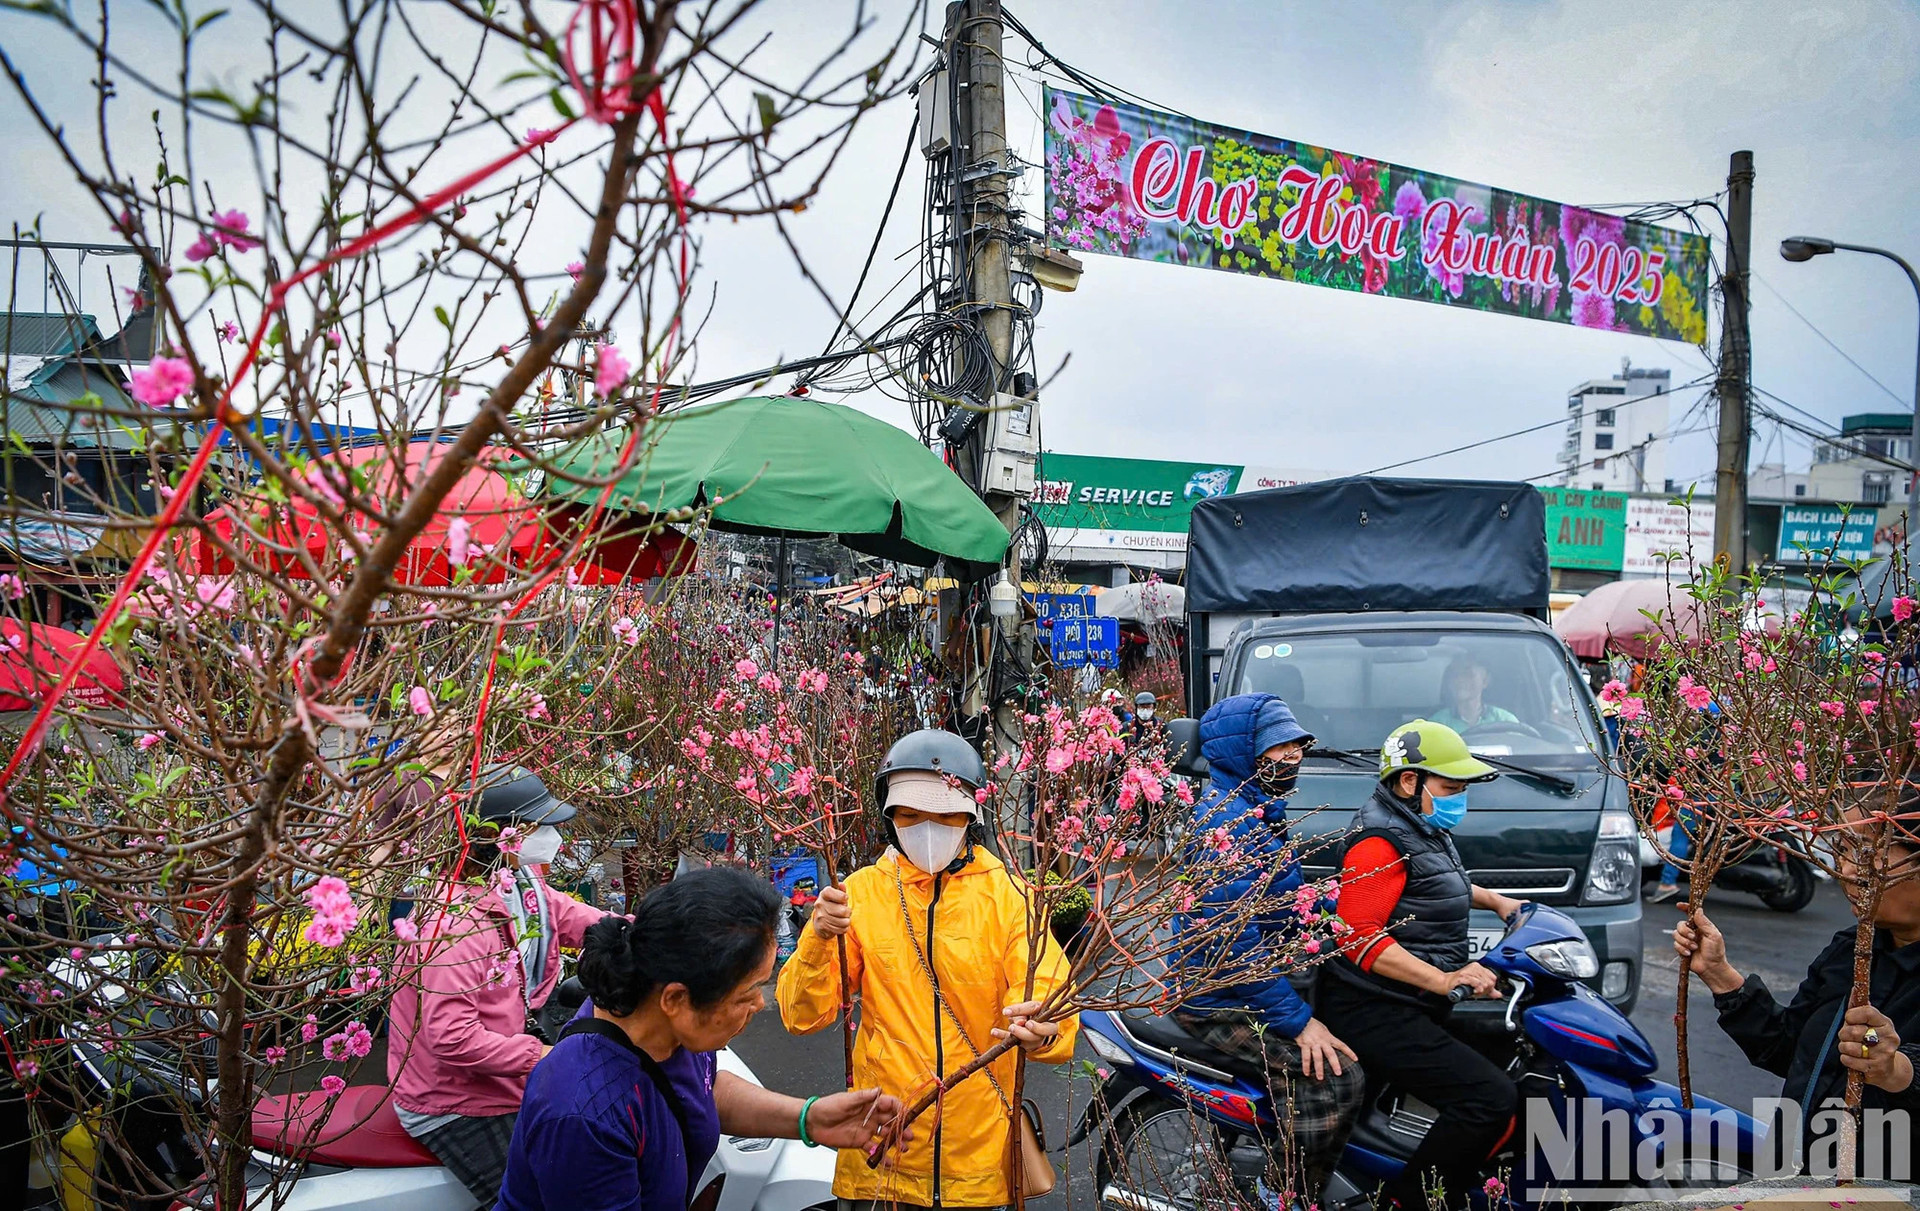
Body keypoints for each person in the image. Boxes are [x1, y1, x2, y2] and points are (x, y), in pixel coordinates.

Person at [777, 729, 1079, 1211]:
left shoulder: (1010, 899)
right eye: (911, 814)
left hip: (976, 1161)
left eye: (945, 813)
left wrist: (1044, 1028)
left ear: (971, 817)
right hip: (884, 1152)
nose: (929, 825)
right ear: (888, 816)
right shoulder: (859, 895)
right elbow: (801, 1016)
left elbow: (1052, 1001)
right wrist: (818, 937)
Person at [497, 868, 907, 1211]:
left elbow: (701, 1092)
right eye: (747, 995)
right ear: (676, 998)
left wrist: (811, 1118)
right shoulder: (582, 1113)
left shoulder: (651, 1024)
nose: (756, 1007)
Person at [1318, 719, 1525, 1210]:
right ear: (1409, 781)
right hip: (1373, 1009)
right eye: (1451, 788)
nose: (1459, 799)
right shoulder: (1379, 841)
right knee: (1489, 1099)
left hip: (1406, 1003)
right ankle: (1409, 1202)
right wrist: (1446, 979)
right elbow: (1358, 938)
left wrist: (1496, 901)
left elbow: (1432, 883)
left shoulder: (1417, 826)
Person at [387, 765, 613, 1210]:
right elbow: (453, 1039)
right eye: (539, 825)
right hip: (456, 1099)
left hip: (503, 1076)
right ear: (501, 837)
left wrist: (653, 932)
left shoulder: (520, 885)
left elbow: (573, 918)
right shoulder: (452, 927)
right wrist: (546, 1057)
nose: (551, 836)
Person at [1170, 693, 1366, 1205]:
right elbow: (1235, 947)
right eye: (1279, 749)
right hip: (1219, 998)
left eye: (1297, 748)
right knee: (1334, 1080)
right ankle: (1282, 1194)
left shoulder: (1256, 815)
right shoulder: (1224, 826)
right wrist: (1299, 1022)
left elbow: (1282, 909)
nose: (1294, 759)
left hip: (1253, 983)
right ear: (1244, 754)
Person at [1674, 819, 1920, 1137]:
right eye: (1843, 851)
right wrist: (1719, 974)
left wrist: (1894, 1069)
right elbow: (1792, 1051)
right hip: (1800, 1168)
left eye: (1867, 854)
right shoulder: (1850, 950)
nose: (1846, 871)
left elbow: (1886, 1059)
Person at [1430, 657, 1517, 733]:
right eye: (1455, 675)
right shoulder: (1438, 723)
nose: (1460, 680)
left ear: (1485, 681)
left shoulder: (1505, 721)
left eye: (1468, 674)